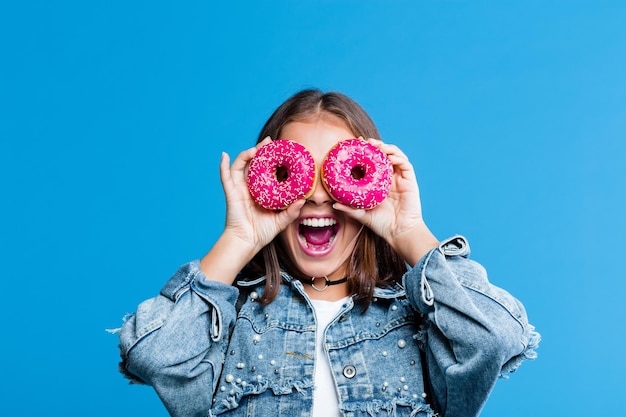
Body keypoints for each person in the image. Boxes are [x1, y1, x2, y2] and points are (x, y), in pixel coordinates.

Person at [116, 89, 540, 417]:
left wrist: (410, 232)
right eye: (298, 175)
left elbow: (493, 338)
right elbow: (155, 357)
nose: (318, 194)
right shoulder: (234, 320)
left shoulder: (418, 322)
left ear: (372, 183)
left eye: (335, 175)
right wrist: (239, 237)